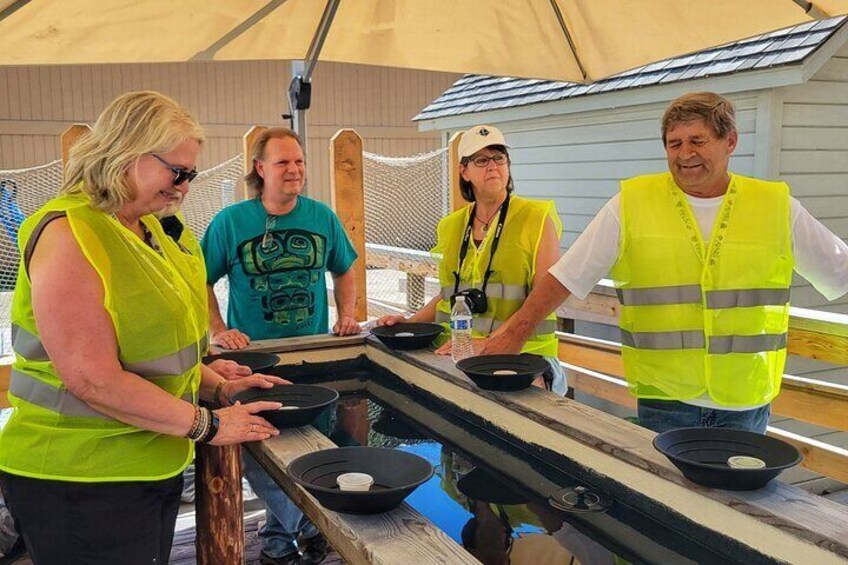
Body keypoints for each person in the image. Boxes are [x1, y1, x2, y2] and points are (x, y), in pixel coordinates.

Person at [0, 91, 289, 565]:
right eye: (176, 171)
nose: (184, 186)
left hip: (147, 463)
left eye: (190, 173)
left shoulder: (156, 230)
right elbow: (92, 379)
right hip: (79, 475)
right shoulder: (71, 233)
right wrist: (209, 425)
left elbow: (159, 354)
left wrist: (216, 385)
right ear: (125, 153)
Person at [482, 92, 848, 434]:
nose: (685, 153)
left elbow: (839, 270)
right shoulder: (632, 202)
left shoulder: (776, 206)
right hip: (664, 400)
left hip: (746, 403)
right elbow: (566, 277)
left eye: (697, 140)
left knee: (732, 505)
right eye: (675, 143)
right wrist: (514, 334)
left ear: (730, 142)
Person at [201, 127, 360, 564]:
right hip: (251, 364)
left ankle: (283, 536)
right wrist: (217, 329)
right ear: (260, 168)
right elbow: (199, 279)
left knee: (319, 447)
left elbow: (344, 268)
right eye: (283, 162)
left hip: (314, 355)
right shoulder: (231, 222)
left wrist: (347, 314)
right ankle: (300, 527)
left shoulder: (321, 216)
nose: (294, 170)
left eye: (300, 162)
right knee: (262, 452)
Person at [377, 125, 567, 395]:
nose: (492, 166)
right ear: (464, 171)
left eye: (499, 157)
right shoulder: (452, 226)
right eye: (481, 160)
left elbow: (544, 296)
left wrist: (492, 344)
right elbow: (448, 295)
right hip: (460, 353)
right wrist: (411, 322)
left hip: (523, 357)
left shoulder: (536, 218)